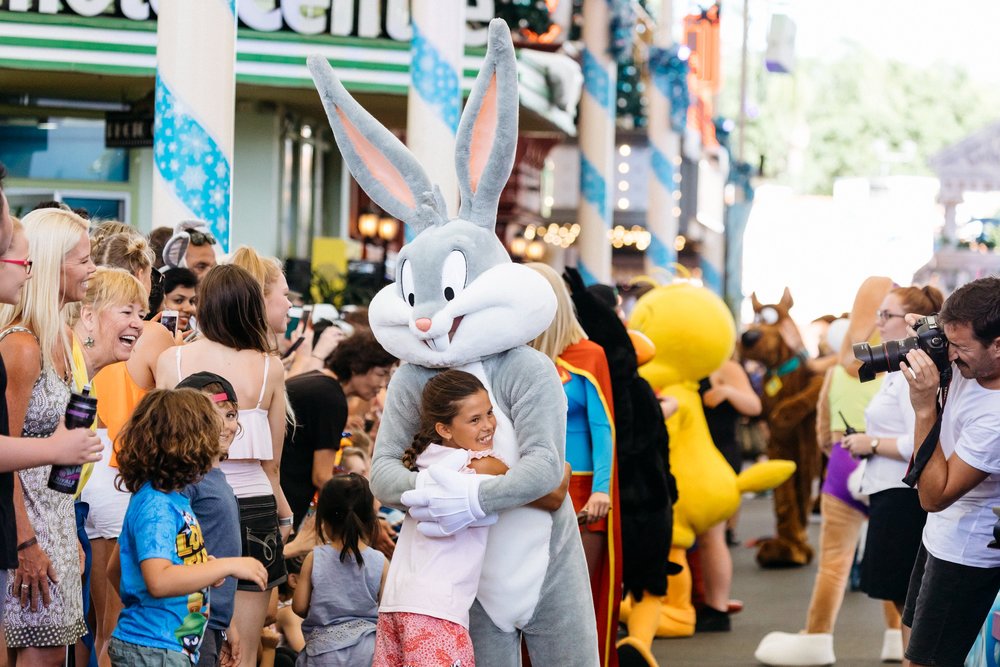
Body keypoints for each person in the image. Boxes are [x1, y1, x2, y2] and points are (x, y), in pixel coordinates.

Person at [156, 264, 291, 667]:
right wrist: (284, 516)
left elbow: (164, 440)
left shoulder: (172, 361)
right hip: (253, 506)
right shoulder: (269, 367)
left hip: (189, 503)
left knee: (183, 635)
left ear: (204, 307)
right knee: (244, 649)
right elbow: (273, 465)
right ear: (251, 306)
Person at [108, 389, 267, 666]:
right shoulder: (156, 505)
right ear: (188, 443)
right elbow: (158, 581)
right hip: (154, 649)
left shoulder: (173, 499)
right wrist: (225, 566)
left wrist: (200, 571)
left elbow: (119, 569)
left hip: (168, 647)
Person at [0, 207, 96, 666]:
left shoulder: (60, 337)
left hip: (55, 518)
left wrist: (67, 526)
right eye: (84, 259)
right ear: (51, 263)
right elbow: (6, 452)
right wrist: (24, 543)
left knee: (57, 655)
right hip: (26, 525)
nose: (94, 270)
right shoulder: (21, 345)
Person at [897, 276, 1000, 667]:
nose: (950, 356)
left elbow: (934, 496)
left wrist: (925, 406)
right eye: (947, 341)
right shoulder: (973, 360)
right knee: (914, 648)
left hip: (965, 555)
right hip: (939, 540)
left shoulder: (995, 418)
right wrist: (930, 330)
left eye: (960, 347)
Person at [526, 263, 620, 661]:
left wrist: (601, 489)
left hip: (582, 490)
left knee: (577, 599)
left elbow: (603, 427)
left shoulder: (588, 355)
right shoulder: (511, 355)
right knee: (526, 595)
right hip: (528, 488)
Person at [841, 286, 942, 657]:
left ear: (912, 323)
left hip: (904, 497)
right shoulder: (897, 371)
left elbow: (920, 443)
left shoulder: (915, 373)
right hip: (891, 492)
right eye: (879, 314)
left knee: (910, 604)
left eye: (887, 316)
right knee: (906, 603)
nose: (878, 324)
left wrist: (870, 444)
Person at [281, 332, 396, 527]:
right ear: (357, 366)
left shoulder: (318, 383)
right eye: (381, 374)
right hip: (286, 499)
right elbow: (322, 477)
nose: (383, 384)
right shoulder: (331, 398)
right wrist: (365, 520)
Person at [175, 372, 244, 667]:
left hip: (213, 621)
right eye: (210, 415)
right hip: (189, 618)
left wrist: (228, 624)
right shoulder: (186, 480)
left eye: (230, 414)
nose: (224, 425)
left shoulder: (216, 478)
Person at [293, 473, 385, 666]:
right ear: (369, 517)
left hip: (324, 653)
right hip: (369, 651)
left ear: (324, 519)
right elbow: (386, 611)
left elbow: (300, 607)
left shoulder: (314, 557)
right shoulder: (380, 561)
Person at [156, 268, 198, 333]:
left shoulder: (197, 336)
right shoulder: (142, 336)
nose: (190, 309)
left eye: (192, 301)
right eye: (179, 300)